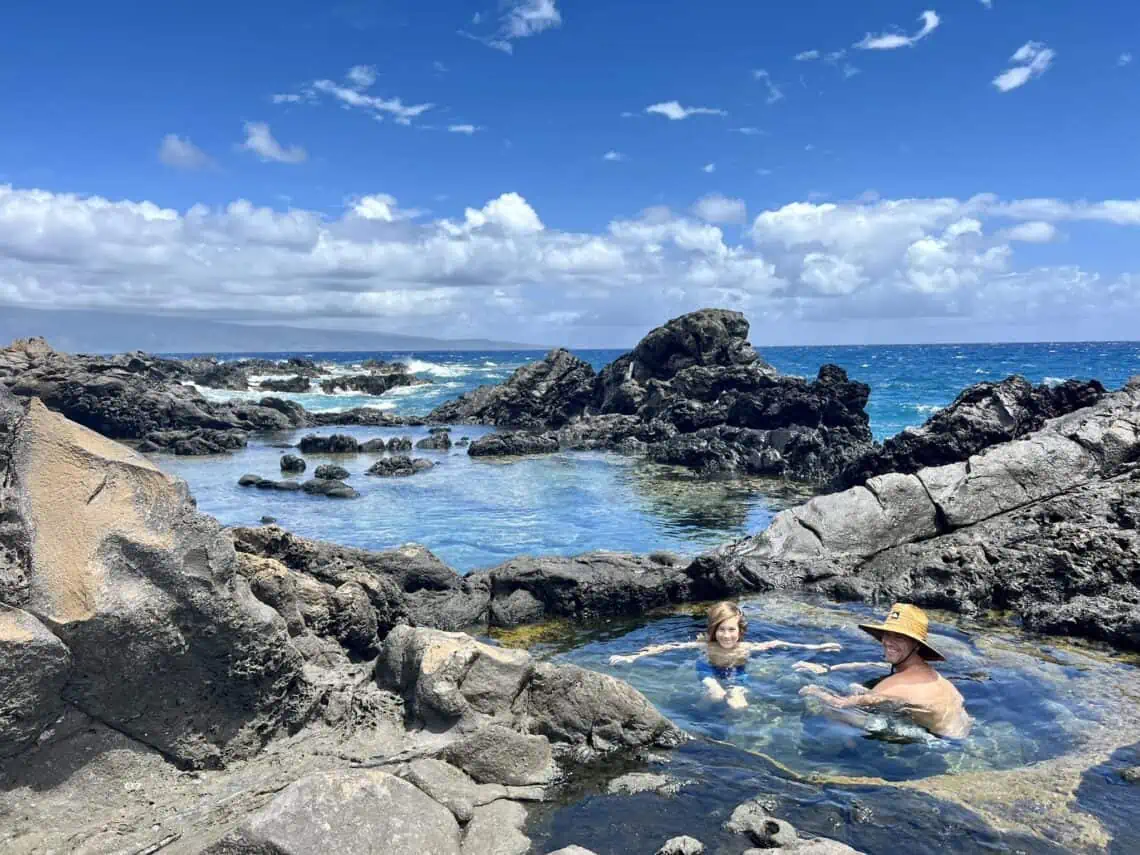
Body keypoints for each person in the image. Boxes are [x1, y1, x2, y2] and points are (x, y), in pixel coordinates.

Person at [609, 601, 842, 710]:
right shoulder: (706, 647)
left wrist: (818, 649)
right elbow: (669, 647)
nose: (727, 635)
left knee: (738, 704)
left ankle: (722, 721)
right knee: (716, 693)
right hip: (707, 669)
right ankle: (696, 713)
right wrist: (633, 657)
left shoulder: (745, 648)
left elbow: (780, 643)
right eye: (721, 629)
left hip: (737, 673)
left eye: (731, 630)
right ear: (712, 630)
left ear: (740, 631)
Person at [798, 602, 971, 739]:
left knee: (830, 711)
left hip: (939, 743)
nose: (888, 642)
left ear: (917, 645)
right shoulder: (931, 675)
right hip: (957, 734)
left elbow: (840, 704)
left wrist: (815, 692)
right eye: (887, 634)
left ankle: (842, 760)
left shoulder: (895, 684)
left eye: (900, 637)